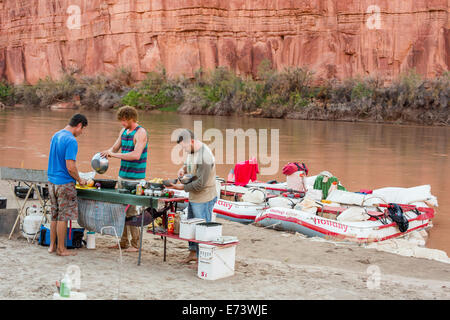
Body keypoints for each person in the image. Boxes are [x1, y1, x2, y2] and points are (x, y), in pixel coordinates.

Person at [101, 106, 148, 252]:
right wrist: (106, 153)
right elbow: (114, 149)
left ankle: (135, 244)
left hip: (136, 178)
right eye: (121, 120)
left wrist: (114, 155)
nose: (122, 123)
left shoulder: (141, 133)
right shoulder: (123, 131)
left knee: (132, 211)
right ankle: (122, 242)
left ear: (131, 119)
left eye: (124, 120)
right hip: (122, 175)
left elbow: (136, 155)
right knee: (121, 210)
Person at [170, 129, 217, 263]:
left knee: (202, 228)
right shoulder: (193, 150)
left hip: (204, 196)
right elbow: (189, 162)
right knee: (191, 225)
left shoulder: (205, 157)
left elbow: (200, 184)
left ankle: (203, 258)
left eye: (184, 146)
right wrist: (183, 169)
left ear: (191, 141)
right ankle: (192, 254)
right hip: (194, 195)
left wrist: (181, 187)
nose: (184, 150)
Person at [47, 114, 88, 256]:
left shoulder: (56, 135)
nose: (81, 133)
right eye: (82, 129)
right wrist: (80, 179)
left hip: (51, 181)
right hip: (64, 183)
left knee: (54, 215)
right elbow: (70, 167)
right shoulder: (71, 140)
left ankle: (52, 246)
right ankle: (61, 249)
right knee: (63, 217)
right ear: (79, 125)